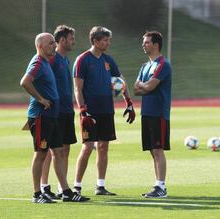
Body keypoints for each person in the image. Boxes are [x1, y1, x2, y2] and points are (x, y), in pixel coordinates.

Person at [20, 32, 89, 203]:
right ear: (40, 46)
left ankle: (66, 191)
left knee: (58, 152)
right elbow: (25, 82)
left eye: (53, 42)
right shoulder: (37, 62)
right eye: (50, 43)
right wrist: (41, 99)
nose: (54, 45)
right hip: (41, 116)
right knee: (41, 153)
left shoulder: (46, 62)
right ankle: (37, 194)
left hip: (52, 116)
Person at [73, 26, 135, 196]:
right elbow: (77, 88)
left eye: (109, 40)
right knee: (87, 147)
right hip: (90, 111)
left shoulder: (109, 60)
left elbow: (121, 81)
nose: (108, 43)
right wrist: (83, 109)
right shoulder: (82, 60)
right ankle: (76, 186)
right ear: (95, 41)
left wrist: (128, 101)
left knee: (103, 147)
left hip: (107, 109)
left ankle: (100, 186)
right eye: (105, 40)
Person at [39, 25, 77, 199]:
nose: (73, 42)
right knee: (51, 150)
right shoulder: (52, 60)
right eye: (71, 39)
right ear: (62, 40)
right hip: (56, 111)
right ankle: (45, 186)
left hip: (67, 110)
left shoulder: (65, 60)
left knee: (65, 149)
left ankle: (64, 188)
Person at [134, 31, 172, 198]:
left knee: (158, 149)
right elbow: (136, 89)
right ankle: (157, 185)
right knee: (152, 150)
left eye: (147, 42)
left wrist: (145, 86)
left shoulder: (163, 64)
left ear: (156, 45)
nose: (144, 45)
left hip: (158, 113)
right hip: (147, 112)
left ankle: (161, 187)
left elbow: (148, 87)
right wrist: (145, 85)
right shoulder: (145, 66)